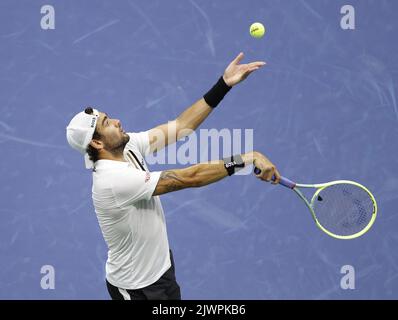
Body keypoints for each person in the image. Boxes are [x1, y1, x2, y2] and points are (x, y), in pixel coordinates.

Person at [66, 52, 281, 300]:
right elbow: (190, 177)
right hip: (137, 288)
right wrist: (245, 158)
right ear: (96, 142)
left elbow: (180, 127)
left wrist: (223, 85)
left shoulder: (127, 145)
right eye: (107, 122)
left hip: (161, 268)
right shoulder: (113, 181)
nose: (116, 121)